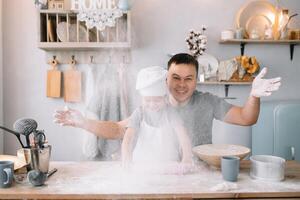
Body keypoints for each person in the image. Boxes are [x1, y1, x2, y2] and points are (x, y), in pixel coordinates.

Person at [54, 53, 281, 148]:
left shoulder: (208, 102)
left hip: (200, 178)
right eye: (176, 78)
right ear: (166, 79)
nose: (182, 84)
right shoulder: (150, 105)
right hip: (160, 176)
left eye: (188, 79)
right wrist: (83, 122)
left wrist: (254, 96)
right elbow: (116, 129)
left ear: (196, 80)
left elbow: (246, 118)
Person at [121, 66, 192, 166]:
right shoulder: (139, 113)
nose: (152, 104)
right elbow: (127, 139)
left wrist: (187, 158)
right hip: (142, 165)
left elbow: (183, 136)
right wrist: (126, 158)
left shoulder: (170, 112)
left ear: (165, 98)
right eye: (147, 100)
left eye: (157, 100)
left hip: (169, 164)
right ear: (141, 98)